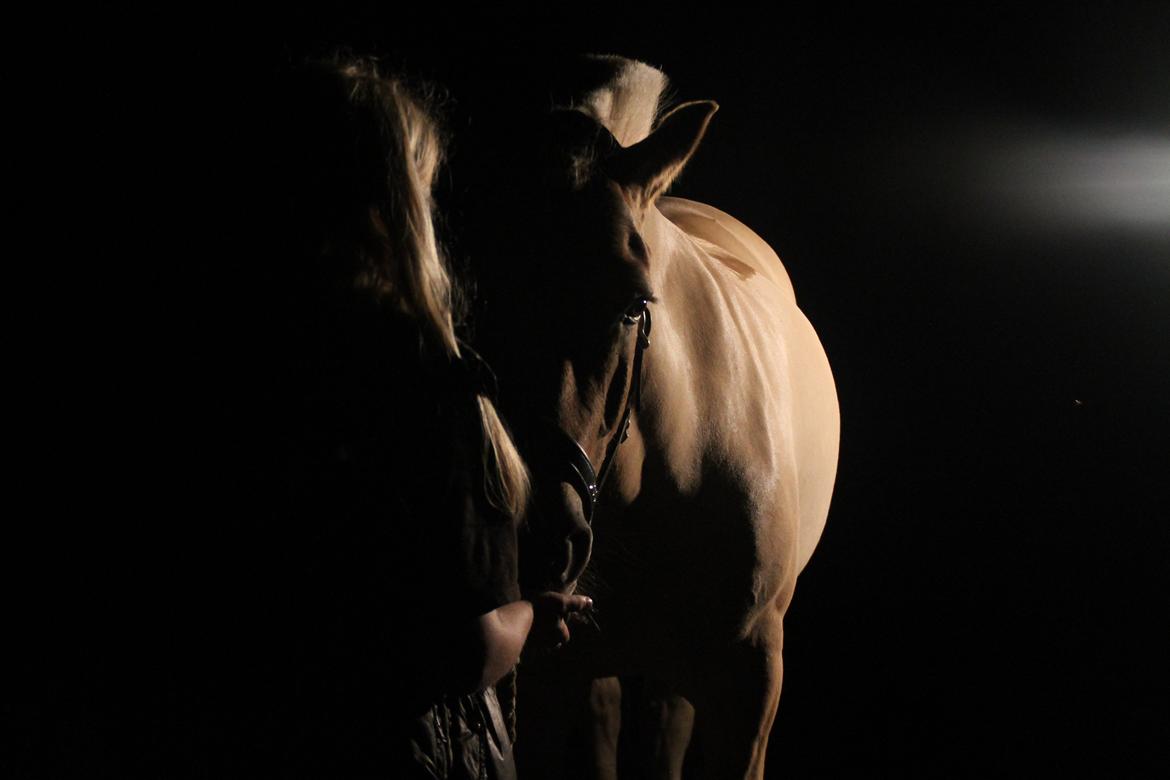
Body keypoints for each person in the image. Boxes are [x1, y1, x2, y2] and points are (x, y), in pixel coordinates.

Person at [235, 56, 591, 777]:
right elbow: (470, 649)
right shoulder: (429, 377)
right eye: (423, 184)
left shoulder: (261, 355)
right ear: (395, 203)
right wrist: (529, 617)